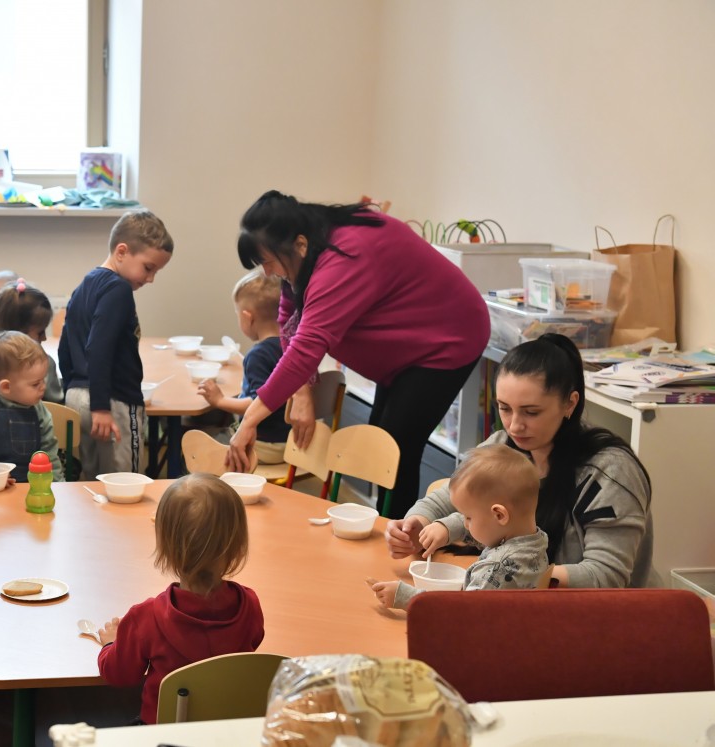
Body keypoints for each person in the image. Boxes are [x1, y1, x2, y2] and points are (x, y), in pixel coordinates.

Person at [226, 191, 490, 518]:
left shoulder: (344, 255)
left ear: (299, 244)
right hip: (405, 350)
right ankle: (387, 528)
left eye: (267, 261)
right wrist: (303, 390)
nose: (266, 272)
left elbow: (306, 347)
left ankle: (397, 541)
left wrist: (248, 422)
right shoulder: (305, 249)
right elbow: (287, 318)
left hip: (446, 340)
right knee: (379, 440)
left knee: (395, 449)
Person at [384, 333, 654, 588]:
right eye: (504, 408)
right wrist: (416, 524)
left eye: (531, 412)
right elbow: (449, 497)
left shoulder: (609, 473)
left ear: (570, 403)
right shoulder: (503, 446)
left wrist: (513, 572)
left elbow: (606, 576)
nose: (514, 426)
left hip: (596, 620)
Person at [96, 473, 264, 724]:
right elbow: (251, 645)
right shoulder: (249, 605)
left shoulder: (146, 618)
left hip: (164, 735)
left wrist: (110, 645)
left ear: (165, 546)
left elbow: (119, 674)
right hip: (228, 733)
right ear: (237, 544)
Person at [59, 210, 175, 477]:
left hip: (79, 398)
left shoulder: (85, 284)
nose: (150, 279)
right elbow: (99, 347)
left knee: (91, 477)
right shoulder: (118, 289)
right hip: (112, 401)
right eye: (148, 267)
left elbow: (66, 346)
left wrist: (73, 389)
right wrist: (100, 405)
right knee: (125, 480)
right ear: (121, 251)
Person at [368, 444, 549, 609]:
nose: (465, 523)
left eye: (469, 517)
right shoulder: (534, 540)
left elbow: (460, 612)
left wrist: (407, 597)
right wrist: (447, 528)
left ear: (499, 515)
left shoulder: (498, 568)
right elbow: (487, 532)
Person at [198, 268, 291, 464]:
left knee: (199, 447)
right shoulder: (294, 348)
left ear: (248, 317)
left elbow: (258, 402)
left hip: (265, 445)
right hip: (292, 443)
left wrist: (219, 401)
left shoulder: (258, 355)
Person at [0, 331, 64, 481]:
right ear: (6, 387)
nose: (44, 387)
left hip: (31, 488)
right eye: (36, 384)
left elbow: (49, 457)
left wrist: (57, 486)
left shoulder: (39, 410)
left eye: (43, 379)